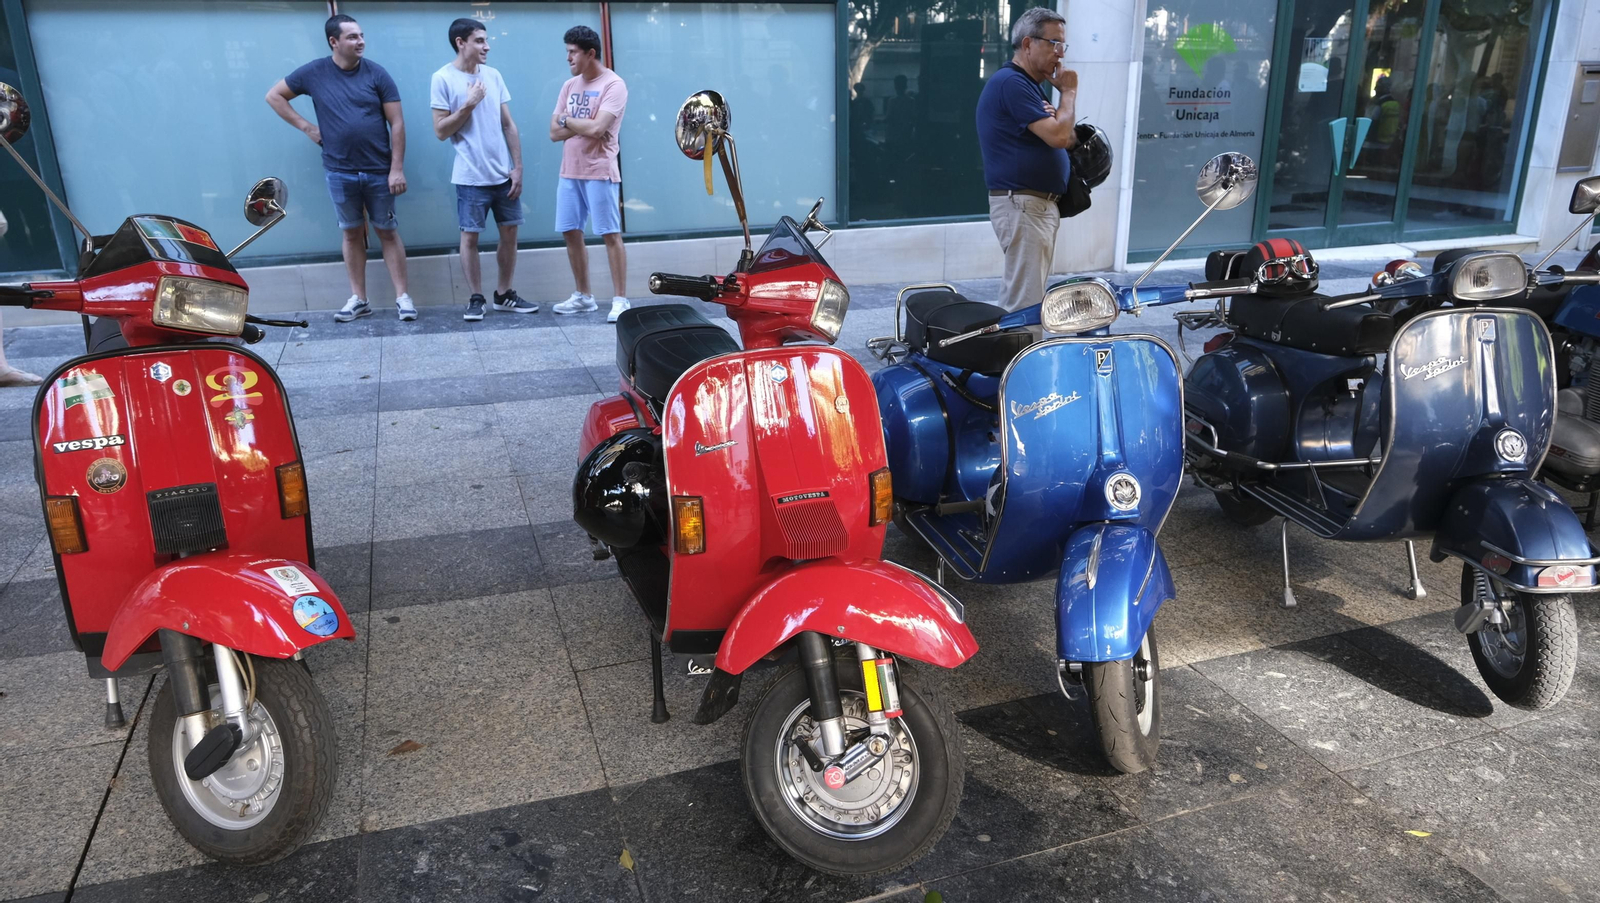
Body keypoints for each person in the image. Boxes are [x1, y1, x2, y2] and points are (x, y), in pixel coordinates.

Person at [266, 14, 417, 322]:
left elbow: (397, 123)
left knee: (387, 231)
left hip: (378, 170)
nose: (360, 41)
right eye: (352, 37)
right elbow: (274, 96)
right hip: (339, 170)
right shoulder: (314, 72)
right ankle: (359, 299)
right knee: (350, 234)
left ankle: (403, 297)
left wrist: (396, 168)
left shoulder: (377, 74)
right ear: (334, 42)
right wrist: (307, 127)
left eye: (361, 35)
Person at [431, 18, 535, 321]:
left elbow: (508, 124)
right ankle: (475, 298)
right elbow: (440, 130)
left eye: (486, 40)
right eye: (479, 40)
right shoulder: (442, 78)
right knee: (470, 237)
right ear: (460, 43)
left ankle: (504, 294)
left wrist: (518, 167)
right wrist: (468, 104)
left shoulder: (493, 75)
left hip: (503, 174)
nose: (486, 46)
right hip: (470, 176)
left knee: (510, 234)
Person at [975, 7, 1077, 312]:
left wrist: (1059, 120)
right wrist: (1068, 94)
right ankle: (1017, 360)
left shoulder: (1030, 87)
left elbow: (1067, 136)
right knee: (1026, 307)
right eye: (1053, 43)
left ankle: (1011, 356)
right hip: (1023, 205)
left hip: (1033, 206)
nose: (1060, 54)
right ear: (1028, 43)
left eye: (1062, 45)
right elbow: (1059, 136)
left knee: (1026, 299)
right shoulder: (1012, 83)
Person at [549, 25, 630, 323]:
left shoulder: (614, 85)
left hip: (599, 171)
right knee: (571, 232)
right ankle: (583, 296)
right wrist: (578, 124)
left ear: (590, 53)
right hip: (569, 171)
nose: (568, 58)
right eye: (567, 52)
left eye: (573, 52)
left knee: (610, 234)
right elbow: (553, 132)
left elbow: (598, 129)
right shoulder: (568, 87)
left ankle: (620, 299)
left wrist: (568, 119)